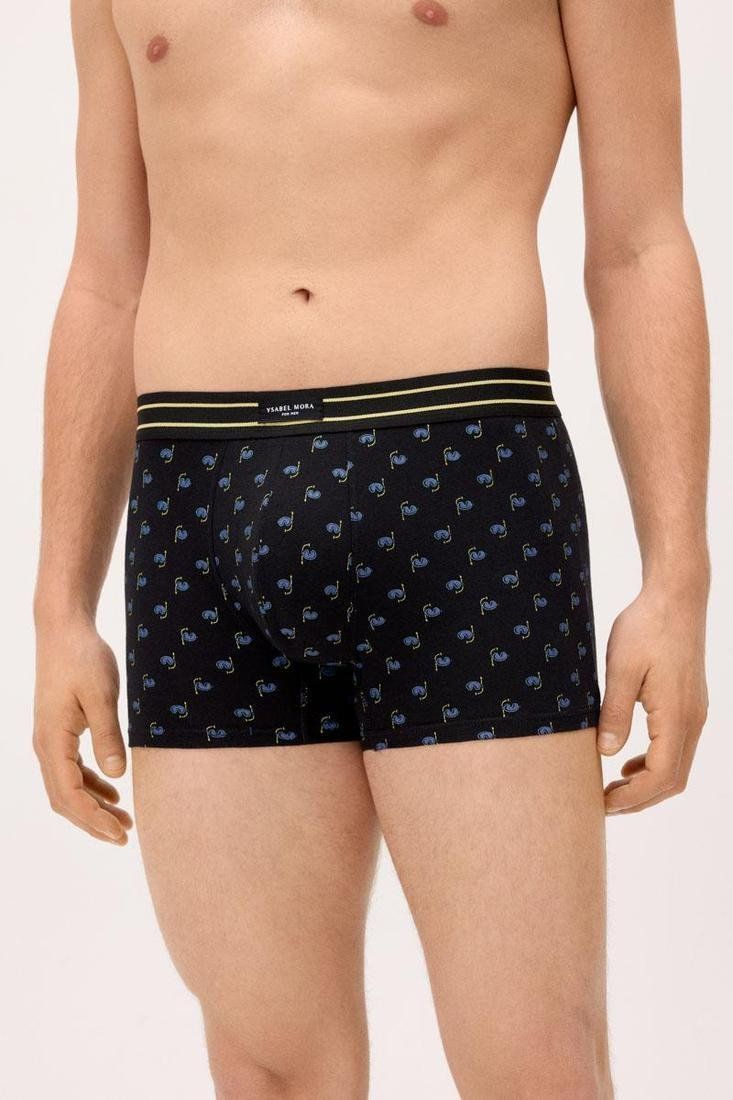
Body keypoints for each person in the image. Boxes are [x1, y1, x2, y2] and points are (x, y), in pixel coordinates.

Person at [33, 0, 710, 1096]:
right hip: (197, 509)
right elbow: (107, 277)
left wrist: (677, 580)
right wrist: (59, 606)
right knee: (268, 1066)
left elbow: (638, 244)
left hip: (465, 491)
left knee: (534, 1065)